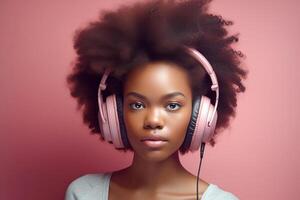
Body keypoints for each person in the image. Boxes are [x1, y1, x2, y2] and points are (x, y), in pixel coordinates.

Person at [65, 0, 248, 199]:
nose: (153, 120)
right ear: (115, 112)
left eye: (172, 105)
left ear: (200, 114)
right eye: (137, 104)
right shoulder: (83, 193)